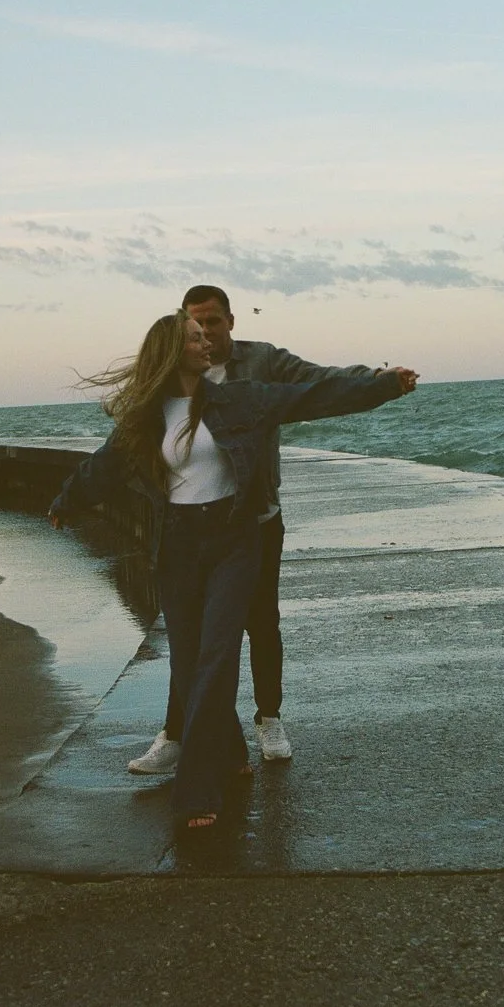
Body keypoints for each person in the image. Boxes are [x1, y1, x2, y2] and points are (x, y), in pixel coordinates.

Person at [47, 310, 410, 831]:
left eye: (206, 336)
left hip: (234, 540)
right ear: (171, 351)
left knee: (217, 655)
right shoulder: (146, 417)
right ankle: (234, 747)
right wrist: (66, 501)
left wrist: (381, 386)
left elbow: (310, 397)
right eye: (195, 339)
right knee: (193, 661)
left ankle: (196, 790)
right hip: (178, 544)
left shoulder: (236, 399)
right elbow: (105, 465)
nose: (207, 345)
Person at [125, 285, 419, 775]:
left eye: (214, 323)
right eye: (197, 325)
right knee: (191, 640)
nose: (207, 334)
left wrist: (375, 379)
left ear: (231, 322)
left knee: (261, 622)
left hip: (255, 518)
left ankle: (269, 717)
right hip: (193, 527)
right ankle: (177, 734)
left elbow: (316, 383)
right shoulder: (171, 377)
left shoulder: (259, 364)